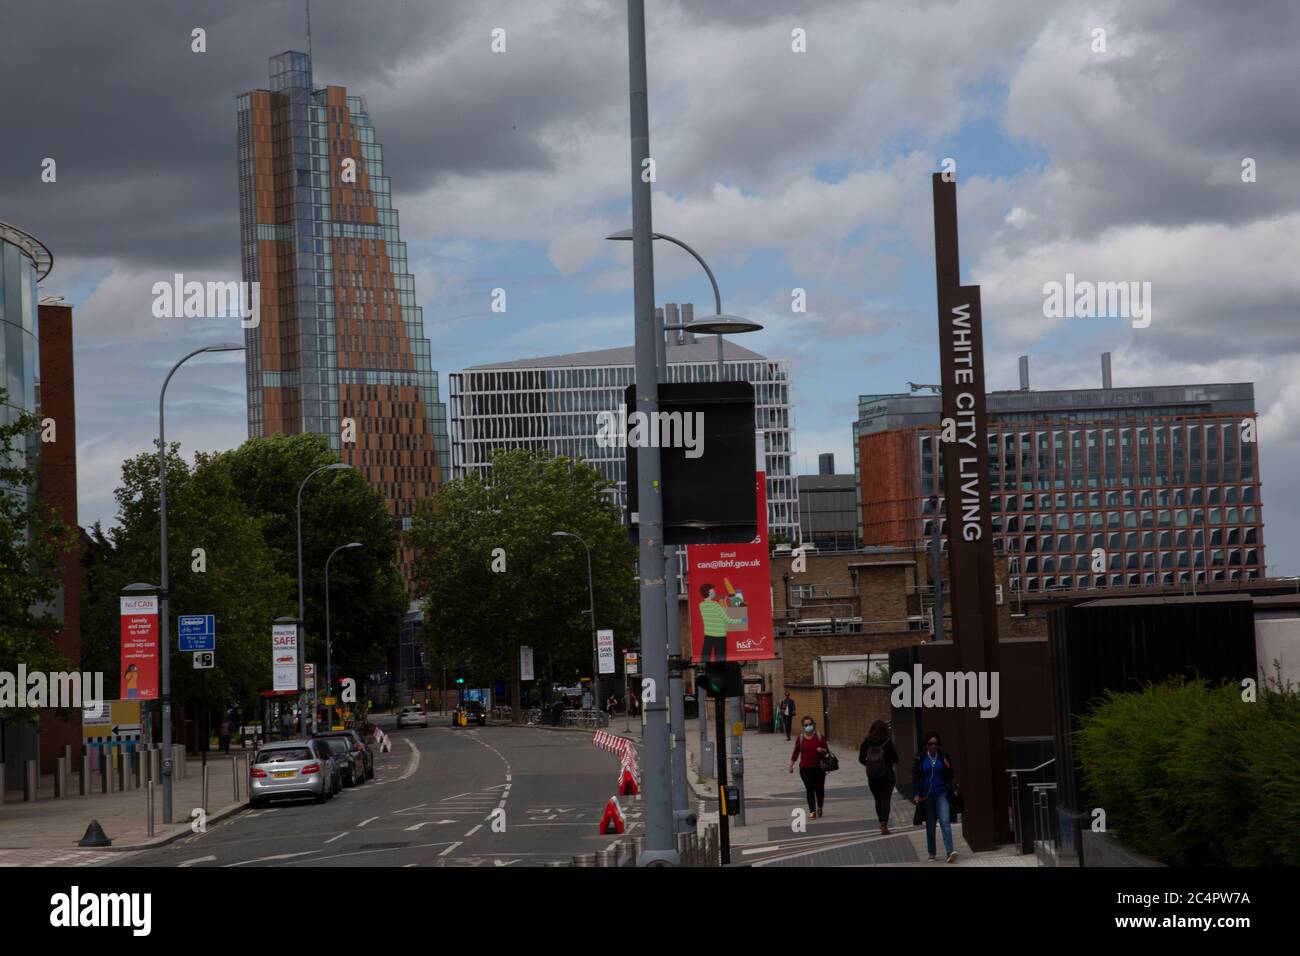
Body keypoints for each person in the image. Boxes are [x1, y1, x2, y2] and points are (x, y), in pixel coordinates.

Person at [912, 731, 957, 863]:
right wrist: (916, 794)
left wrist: (948, 768)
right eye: (930, 744)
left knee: (945, 821)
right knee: (930, 825)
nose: (932, 746)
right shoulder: (920, 758)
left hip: (941, 793)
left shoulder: (943, 756)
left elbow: (950, 775)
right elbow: (915, 776)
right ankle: (932, 852)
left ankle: (950, 851)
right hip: (927, 796)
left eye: (935, 744)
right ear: (926, 745)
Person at [857, 719, 900, 834]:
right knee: (885, 799)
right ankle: (884, 824)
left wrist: (870, 764)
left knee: (878, 800)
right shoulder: (888, 742)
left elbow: (861, 758)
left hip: (873, 776)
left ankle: (881, 820)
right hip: (887, 775)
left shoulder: (866, 742)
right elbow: (896, 759)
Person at [788, 715, 831, 818]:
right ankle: (812, 811)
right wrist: (791, 764)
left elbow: (827, 751)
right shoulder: (800, 738)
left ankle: (819, 806)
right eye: (806, 725)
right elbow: (796, 752)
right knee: (809, 788)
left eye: (810, 724)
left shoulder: (820, 737)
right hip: (805, 767)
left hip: (819, 767)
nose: (808, 726)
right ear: (803, 726)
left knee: (819, 788)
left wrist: (822, 750)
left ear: (813, 725)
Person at [697, 583, 729, 662]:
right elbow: (727, 619)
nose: (714, 592)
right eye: (712, 591)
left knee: (705, 657)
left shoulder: (701, 605)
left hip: (708, 634)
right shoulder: (715, 605)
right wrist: (741, 620)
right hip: (720, 634)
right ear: (708, 593)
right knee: (721, 659)